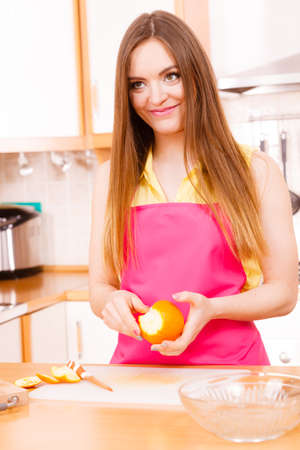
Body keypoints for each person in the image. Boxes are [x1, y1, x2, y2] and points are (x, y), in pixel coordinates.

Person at [88, 10, 298, 365]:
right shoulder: (112, 178)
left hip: (232, 380)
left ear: (196, 76)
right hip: (138, 380)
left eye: (171, 76)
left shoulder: (255, 172)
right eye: (138, 84)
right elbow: (100, 287)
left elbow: (284, 293)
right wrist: (111, 303)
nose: (155, 97)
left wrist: (213, 309)